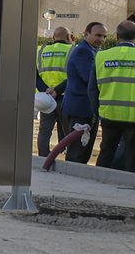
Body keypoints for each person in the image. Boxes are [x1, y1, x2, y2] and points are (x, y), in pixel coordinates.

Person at [62, 21, 107, 164]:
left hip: (84, 110)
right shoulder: (84, 51)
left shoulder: (91, 51)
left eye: (104, 36)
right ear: (86, 34)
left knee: (83, 152)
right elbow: (91, 80)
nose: (101, 39)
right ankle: (70, 184)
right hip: (80, 111)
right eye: (98, 35)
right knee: (77, 154)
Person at [93, 20, 135, 171]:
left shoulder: (101, 56)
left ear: (117, 36)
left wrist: (97, 110)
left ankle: (99, 185)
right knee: (132, 155)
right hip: (133, 117)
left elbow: (92, 89)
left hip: (109, 114)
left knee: (106, 152)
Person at [35, 26, 72, 156]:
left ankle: (43, 158)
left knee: (44, 131)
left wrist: (46, 90)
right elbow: (74, 75)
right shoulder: (73, 50)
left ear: (53, 37)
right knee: (69, 132)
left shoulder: (40, 51)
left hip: (46, 98)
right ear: (69, 38)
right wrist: (57, 90)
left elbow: (35, 75)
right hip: (65, 97)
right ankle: (68, 157)